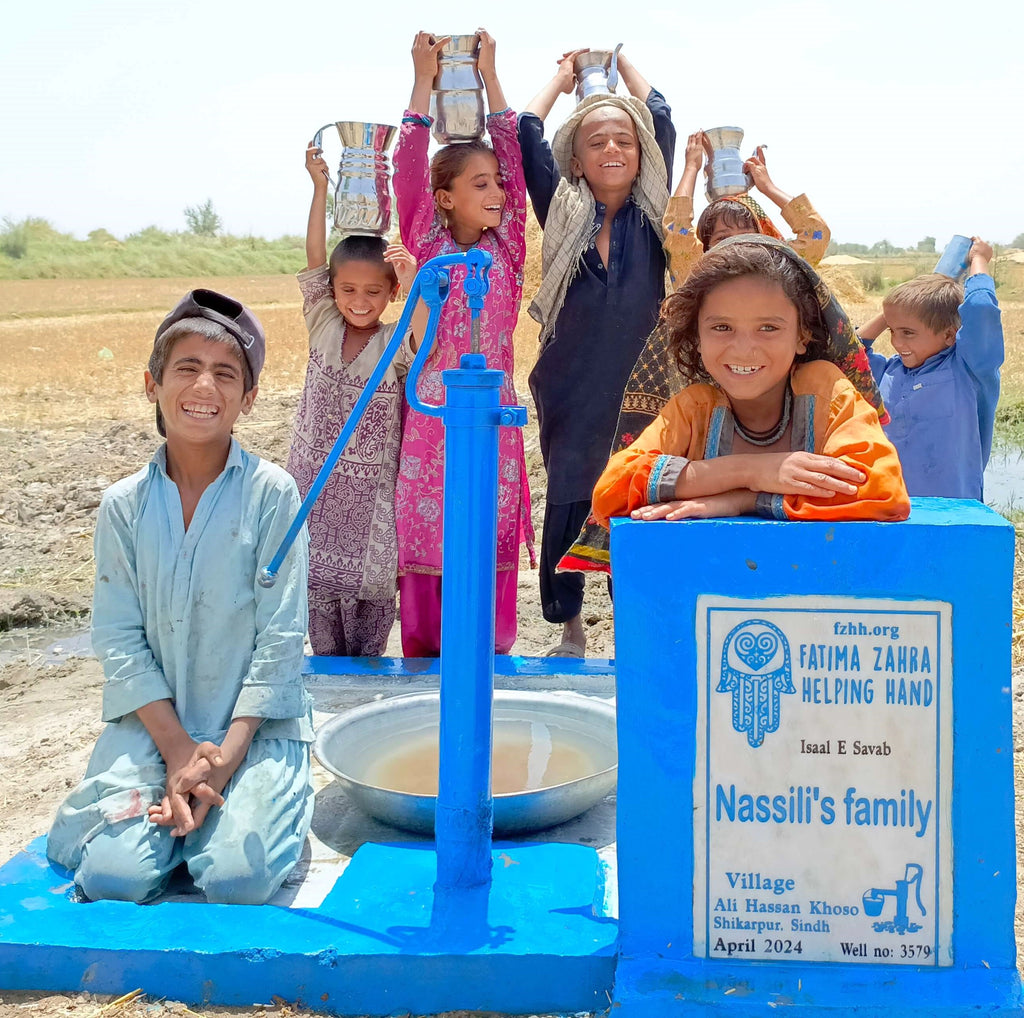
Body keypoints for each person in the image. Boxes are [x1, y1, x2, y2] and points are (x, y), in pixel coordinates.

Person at [47, 291, 315, 904]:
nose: (205, 386)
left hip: (256, 727)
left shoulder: (273, 493)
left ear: (247, 399)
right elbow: (118, 638)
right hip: (154, 729)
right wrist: (177, 753)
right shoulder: (123, 506)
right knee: (115, 877)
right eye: (186, 368)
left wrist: (222, 758)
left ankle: (246, 806)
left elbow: (281, 637)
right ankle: (178, 810)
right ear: (152, 384)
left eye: (225, 374)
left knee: (235, 879)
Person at [518, 47, 674, 656]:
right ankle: (570, 626)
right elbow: (528, 131)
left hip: (642, 384)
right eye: (596, 142)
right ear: (576, 161)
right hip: (570, 382)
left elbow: (659, 112)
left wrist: (622, 61)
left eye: (624, 141)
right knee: (570, 491)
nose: (612, 150)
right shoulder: (562, 211)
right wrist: (563, 77)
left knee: (637, 495)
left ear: (641, 156)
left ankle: (633, 624)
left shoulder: (654, 215)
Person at [591, 237, 908, 527]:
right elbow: (610, 492)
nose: (743, 350)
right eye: (722, 327)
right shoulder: (695, 408)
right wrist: (752, 471)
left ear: (802, 336)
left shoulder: (824, 391)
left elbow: (880, 490)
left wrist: (742, 500)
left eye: (768, 328)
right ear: (697, 338)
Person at [392, 30, 534, 658]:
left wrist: (493, 74)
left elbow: (513, 154)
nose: (498, 193)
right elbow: (406, 169)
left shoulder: (507, 250)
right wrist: (424, 82)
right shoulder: (429, 244)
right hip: (433, 419)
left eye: (498, 183)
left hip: (496, 421)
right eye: (481, 185)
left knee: (488, 528)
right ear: (444, 199)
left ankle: (489, 652)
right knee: (428, 532)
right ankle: (425, 652)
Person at [287, 141, 419, 656]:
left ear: (390, 295)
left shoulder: (395, 340)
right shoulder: (321, 322)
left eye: (373, 292)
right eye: (348, 290)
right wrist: (321, 188)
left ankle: (364, 683)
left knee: (368, 594)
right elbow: (316, 258)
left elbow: (423, 330)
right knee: (315, 583)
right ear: (334, 291)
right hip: (313, 480)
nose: (358, 302)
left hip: (371, 496)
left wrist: (414, 283)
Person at [857, 239, 1002, 499]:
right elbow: (850, 351)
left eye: (908, 333)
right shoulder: (889, 372)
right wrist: (897, 312)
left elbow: (980, 310)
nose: (896, 342)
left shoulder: (968, 370)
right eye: (892, 330)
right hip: (892, 510)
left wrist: (978, 259)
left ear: (949, 335)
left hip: (955, 515)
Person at [663, 135, 831, 288]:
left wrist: (768, 188)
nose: (736, 245)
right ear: (707, 249)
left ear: (763, 240)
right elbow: (677, 231)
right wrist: (691, 168)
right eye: (722, 238)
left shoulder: (777, 274)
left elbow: (816, 233)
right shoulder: (698, 280)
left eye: (746, 236)